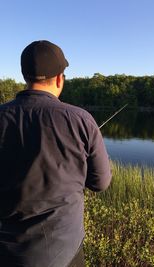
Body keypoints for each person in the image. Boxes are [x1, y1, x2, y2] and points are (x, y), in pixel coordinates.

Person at [0, 40, 112, 267]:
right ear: (60, 78)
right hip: (65, 253)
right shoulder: (81, 120)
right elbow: (100, 183)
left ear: (25, 76)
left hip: (7, 252)